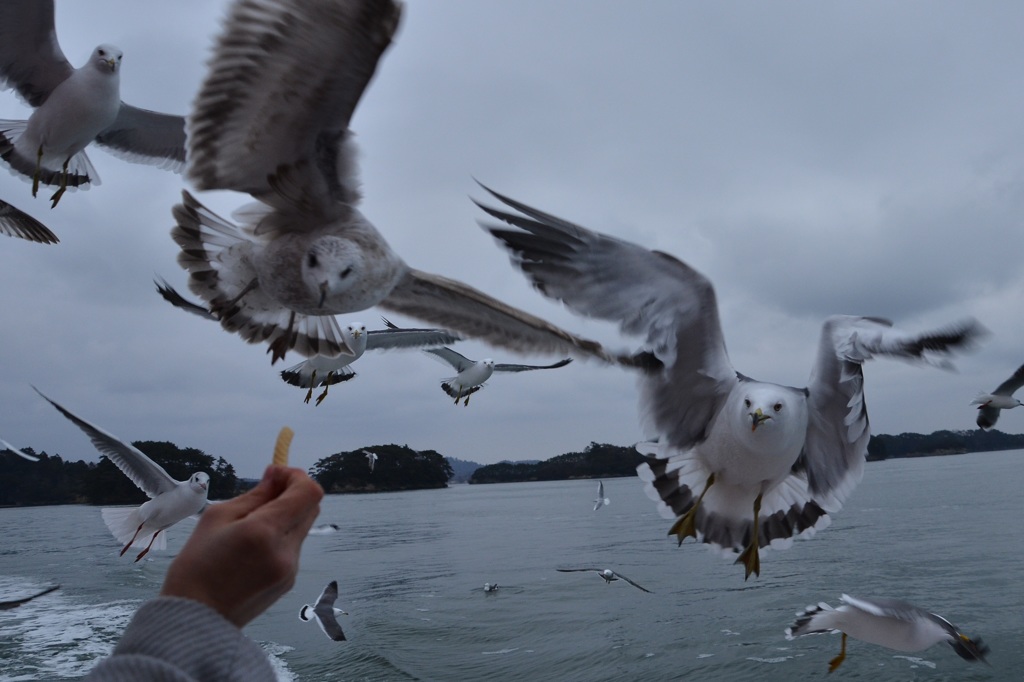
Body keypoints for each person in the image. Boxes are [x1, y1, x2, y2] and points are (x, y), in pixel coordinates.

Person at [85, 465, 324, 681]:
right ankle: (133, 540)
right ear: (191, 478)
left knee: (158, 532)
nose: (201, 485)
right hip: (145, 514)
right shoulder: (170, 486)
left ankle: (144, 545)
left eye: (205, 483)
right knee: (146, 525)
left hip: (160, 527)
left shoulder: (204, 506)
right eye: (198, 480)